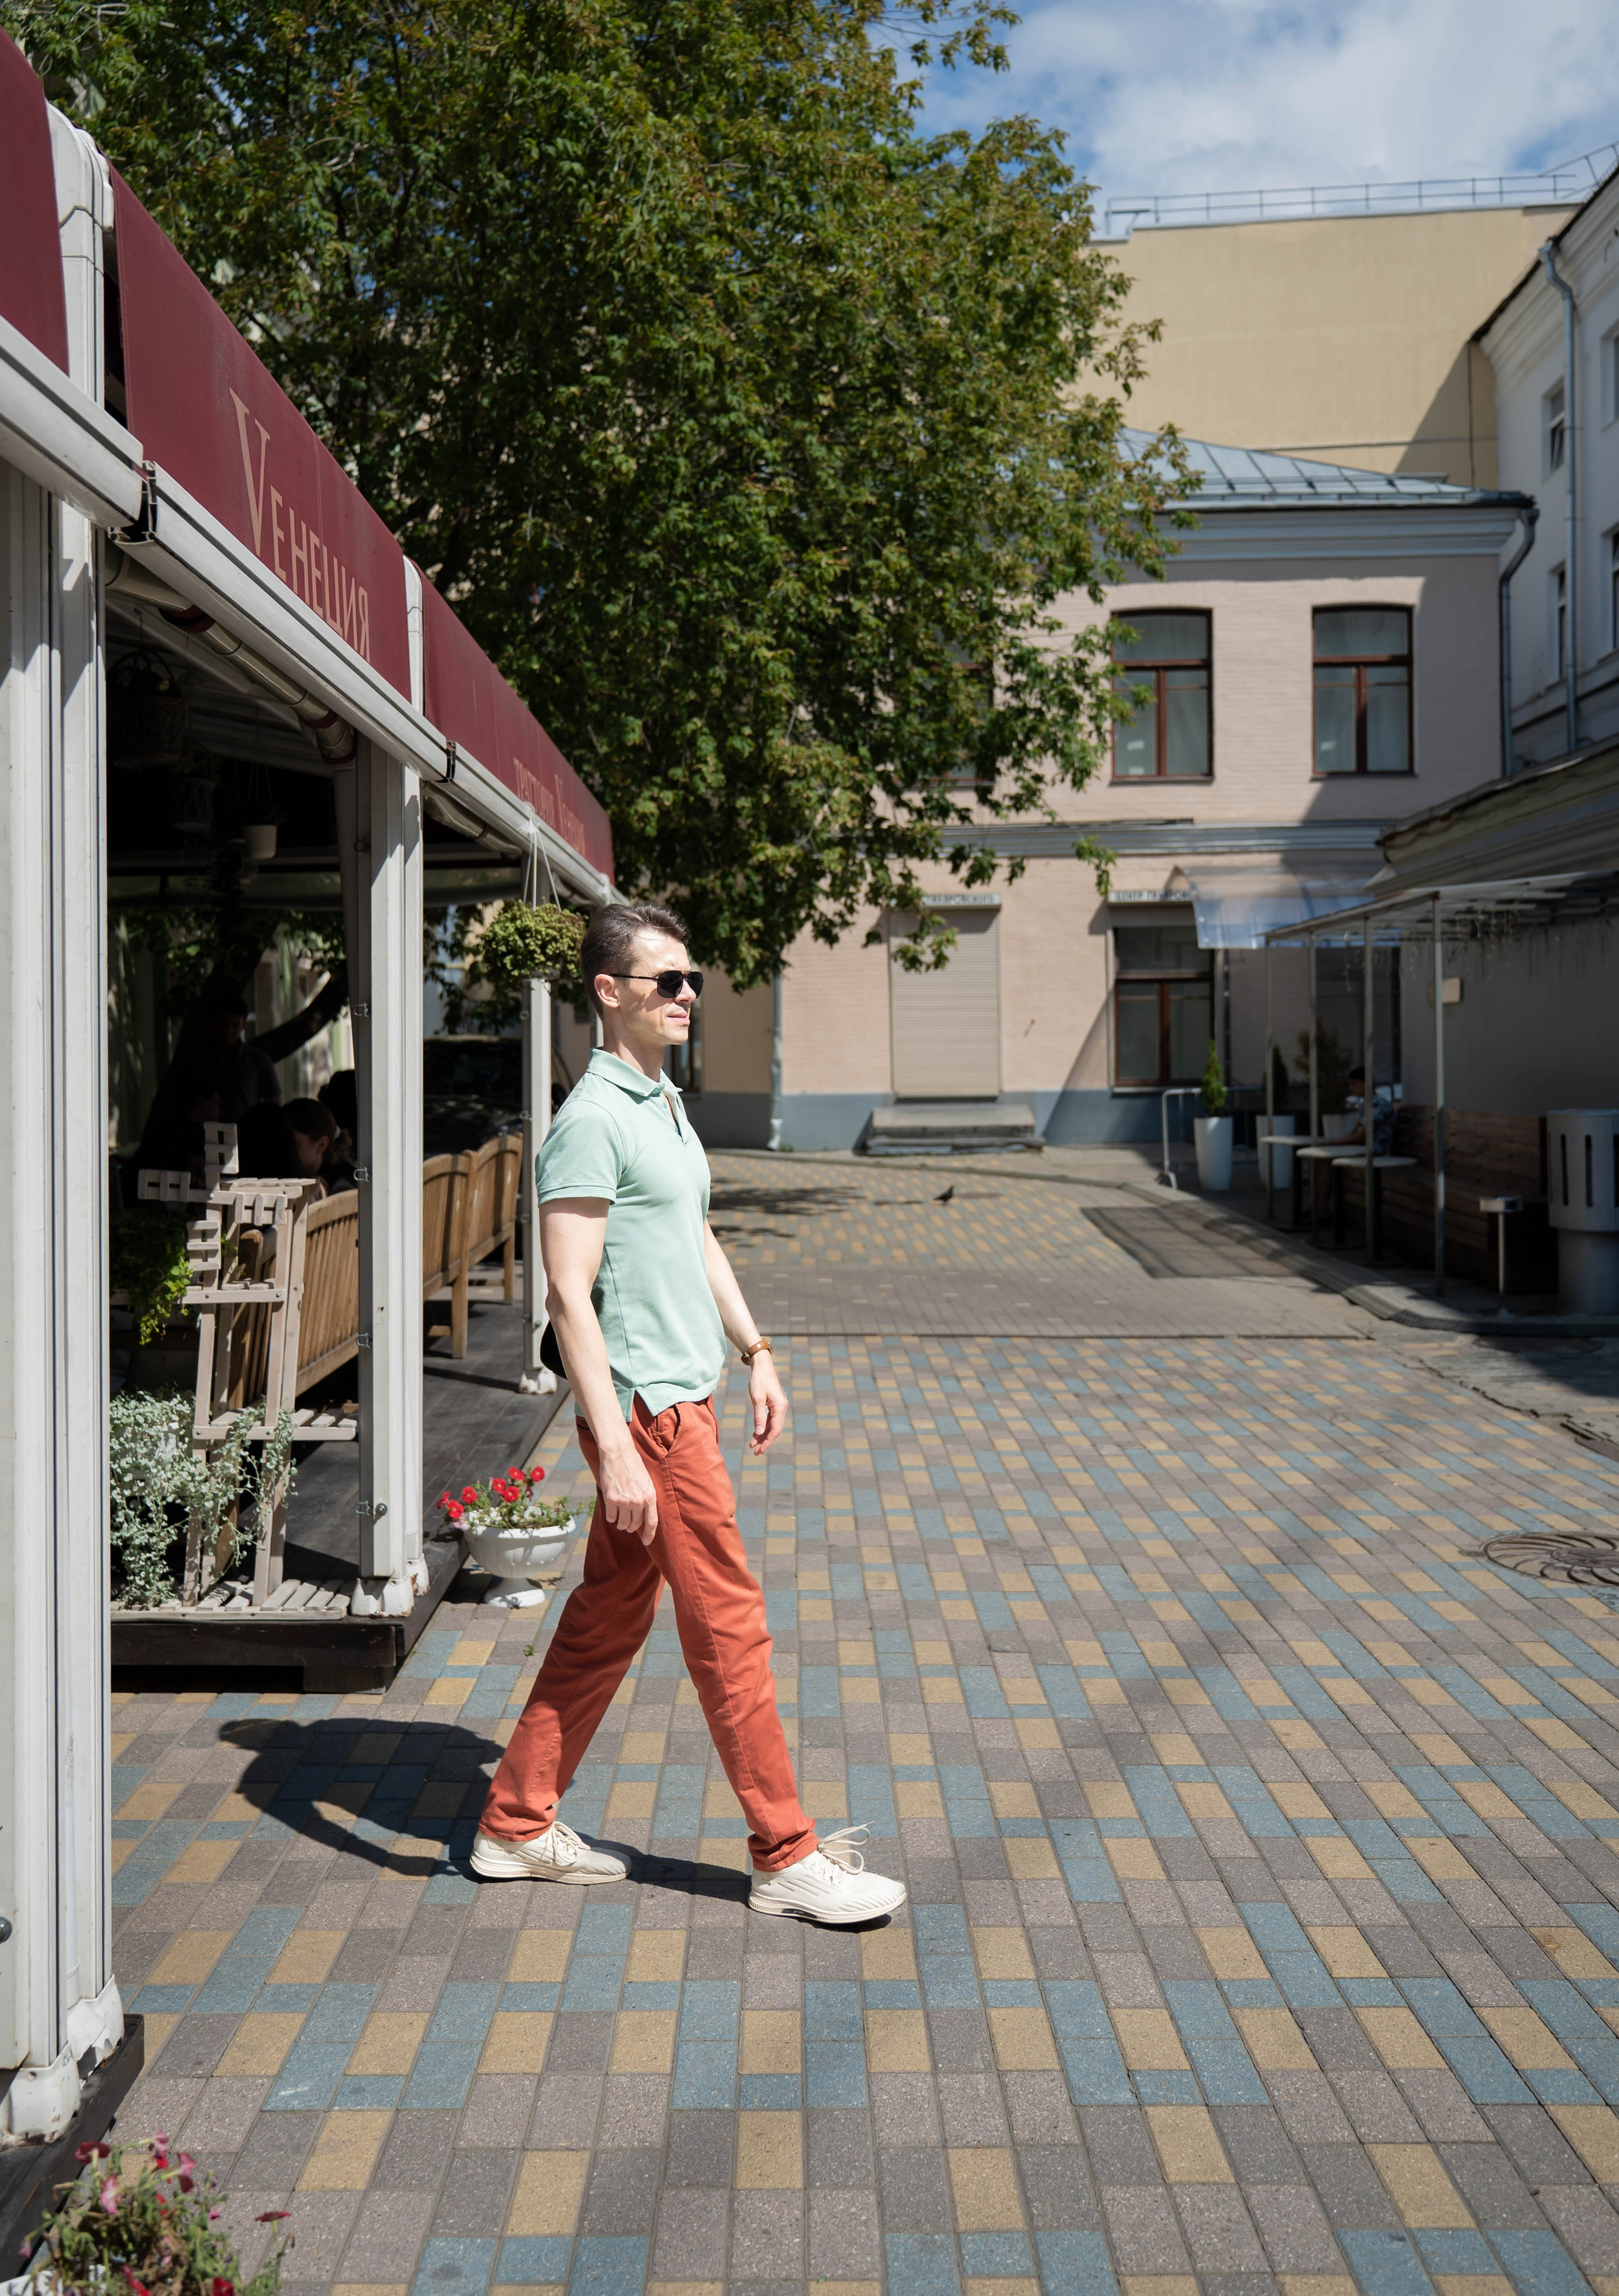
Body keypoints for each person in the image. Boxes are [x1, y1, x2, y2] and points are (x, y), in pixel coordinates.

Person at [474, 901, 906, 1925]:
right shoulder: (590, 1123)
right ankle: (786, 1855)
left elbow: (696, 1234)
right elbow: (568, 1297)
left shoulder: (662, 1102)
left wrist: (755, 1350)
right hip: (652, 1423)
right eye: (666, 980)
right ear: (608, 992)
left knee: (604, 1622)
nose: (687, 997)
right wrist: (616, 1450)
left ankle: (516, 1824)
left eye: (692, 979)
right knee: (731, 1629)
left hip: (686, 1400)